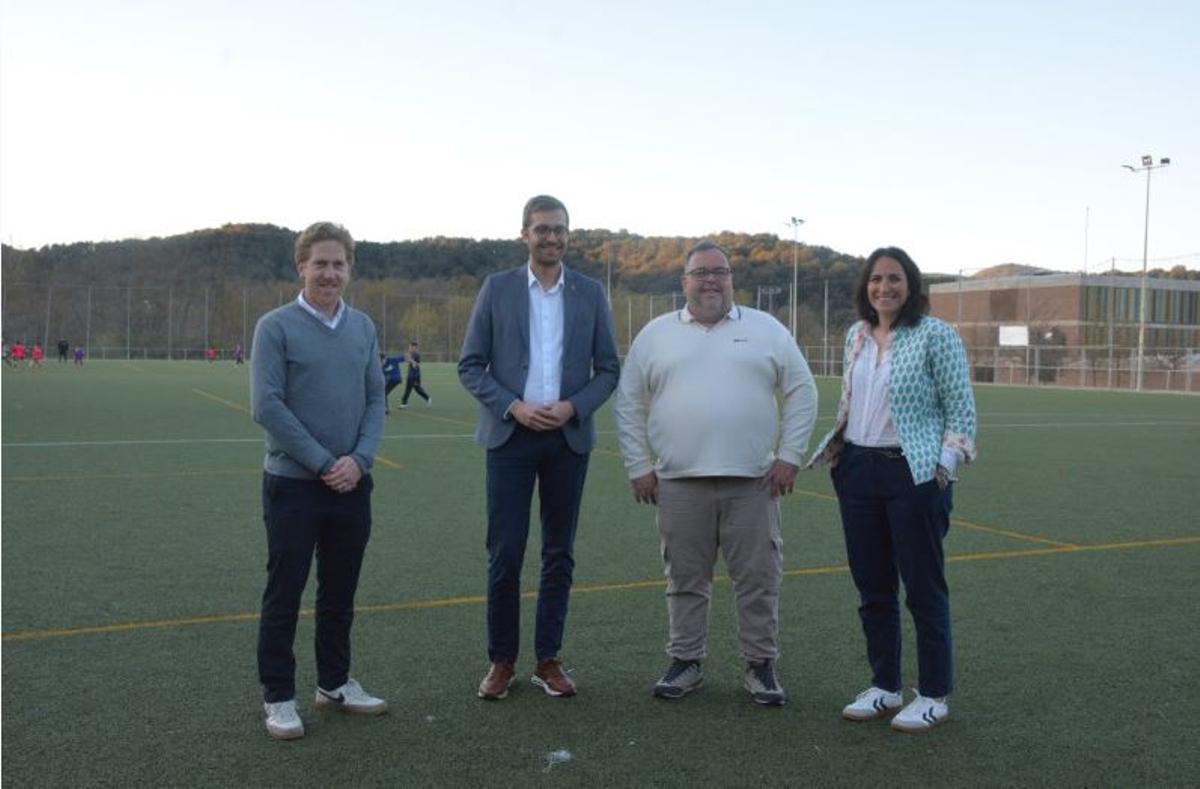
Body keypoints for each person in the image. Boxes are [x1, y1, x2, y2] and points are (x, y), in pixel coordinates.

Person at [613, 241, 818, 706]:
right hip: (679, 481)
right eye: (700, 272)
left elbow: (802, 391)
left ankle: (760, 665)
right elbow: (629, 403)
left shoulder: (766, 329)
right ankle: (686, 662)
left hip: (753, 480)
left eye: (719, 272)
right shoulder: (656, 334)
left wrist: (789, 454)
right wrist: (639, 465)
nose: (710, 280)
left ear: (731, 280)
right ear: (683, 282)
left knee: (759, 578)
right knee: (684, 579)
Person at [807, 246, 976, 733]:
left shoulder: (936, 336)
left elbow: (961, 412)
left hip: (914, 474)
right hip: (858, 469)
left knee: (923, 589)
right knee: (873, 587)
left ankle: (933, 694)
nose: (884, 287)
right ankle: (885, 686)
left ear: (911, 284)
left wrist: (941, 468)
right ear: (866, 287)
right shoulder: (857, 336)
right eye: (876, 279)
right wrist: (843, 460)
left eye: (894, 279)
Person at [458, 194, 619, 701]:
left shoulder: (590, 293)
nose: (551, 237)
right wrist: (514, 406)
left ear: (569, 236)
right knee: (504, 553)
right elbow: (471, 365)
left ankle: (547, 659)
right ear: (524, 234)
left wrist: (574, 407)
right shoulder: (498, 289)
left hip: (567, 441)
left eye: (559, 229)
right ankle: (501, 661)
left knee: (559, 552)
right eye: (542, 229)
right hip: (511, 438)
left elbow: (609, 369)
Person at [250, 221, 388, 740]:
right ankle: (279, 696)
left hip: (353, 482)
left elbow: (376, 398)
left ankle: (333, 683)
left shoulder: (363, 327)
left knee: (339, 592)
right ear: (301, 266)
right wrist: (323, 462)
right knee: (284, 593)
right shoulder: (275, 326)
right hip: (293, 484)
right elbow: (267, 404)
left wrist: (361, 459)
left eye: (339, 264)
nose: (330, 273)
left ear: (349, 269)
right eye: (320, 263)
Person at [400, 340, 431, 408]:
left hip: (415, 375)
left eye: (411, 347)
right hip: (411, 374)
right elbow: (408, 360)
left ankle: (427, 398)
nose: (409, 348)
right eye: (409, 347)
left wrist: (412, 361)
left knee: (416, 389)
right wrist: (409, 359)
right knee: (411, 389)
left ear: (415, 347)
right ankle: (404, 403)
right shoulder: (410, 353)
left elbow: (417, 364)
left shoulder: (416, 354)